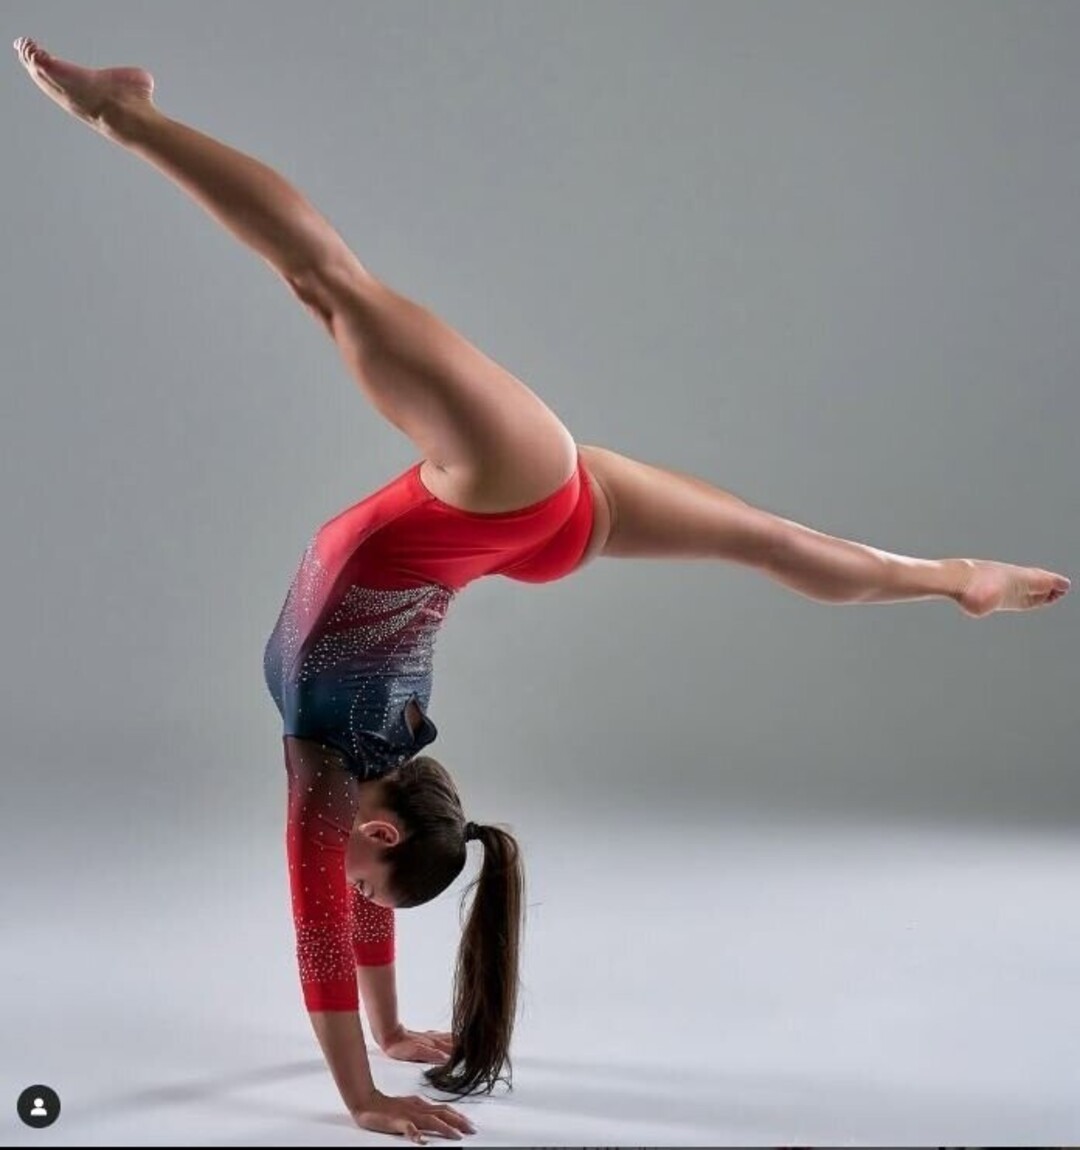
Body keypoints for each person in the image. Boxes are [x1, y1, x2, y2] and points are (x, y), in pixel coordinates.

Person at [14, 35, 1071, 1144]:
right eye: (371, 879)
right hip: (497, 492)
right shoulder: (335, 776)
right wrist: (363, 1096)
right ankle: (124, 114)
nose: (352, 894)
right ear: (382, 827)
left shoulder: (362, 767)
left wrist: (390, 1036)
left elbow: (349, 912)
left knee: (766, 542)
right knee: (327, 280)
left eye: (371, 890)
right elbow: (324, 934)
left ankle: (953, 579)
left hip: (529, 532)